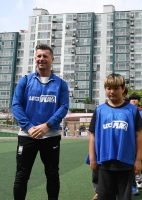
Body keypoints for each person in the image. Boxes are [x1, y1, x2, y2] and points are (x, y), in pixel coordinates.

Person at [11, 44, 69, 200]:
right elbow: (15, 105)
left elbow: (64, 107)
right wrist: (29, 128)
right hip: (27, 135)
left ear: (52, 59)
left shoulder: (61, 84)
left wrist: (47, 125)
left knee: (52, 174)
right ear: (35, 59)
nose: (41, 59)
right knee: (22, 175)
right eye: (38, 56)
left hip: (51, 135)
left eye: (45, 56)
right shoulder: (25, 80)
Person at [88, 74, 142, 200]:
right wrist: (92, 158)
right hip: (105, 162)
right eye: (108, 88)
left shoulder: (132, 110)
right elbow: (93, 135)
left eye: (116, 88)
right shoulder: (100, 110)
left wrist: (138, 160)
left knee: (124, 197)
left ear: (123, 89)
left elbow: (138, 135)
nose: (112, 91)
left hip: (126, 161)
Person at [129, 93, 142, 190]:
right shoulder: (126, 110)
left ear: (139, 101)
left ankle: (140, 176)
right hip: (128, 139)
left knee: (140, 157)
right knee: (131, 157)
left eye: (136, 99)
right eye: (132, 99)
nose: (133, 101)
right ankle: (134, 179)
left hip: (140, 138)